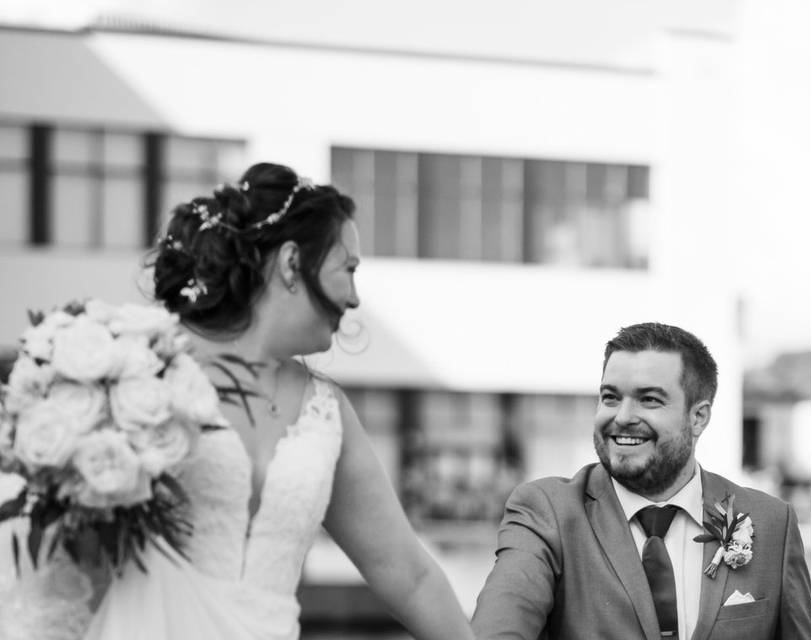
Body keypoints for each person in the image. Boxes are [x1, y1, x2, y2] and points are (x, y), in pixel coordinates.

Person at [14, 162, 474, 640]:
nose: (355, 298)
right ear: (293, 262)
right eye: (348, 269)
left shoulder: (325, 413)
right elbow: (66, 558)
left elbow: (409, 574)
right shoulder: (141, 371)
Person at [471, 323, 811, 640]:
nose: (622, 417)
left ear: (698, 417)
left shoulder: (772, 523)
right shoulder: (547, 512)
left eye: (649, 400)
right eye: (610, 397)